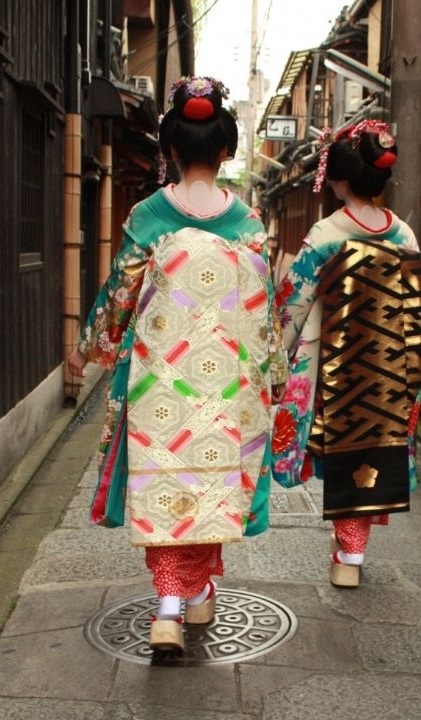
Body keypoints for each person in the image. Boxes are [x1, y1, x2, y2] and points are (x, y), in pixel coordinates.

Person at [67, 76, 287, 653]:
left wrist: (90, 346)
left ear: (168, 149)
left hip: (159, 376)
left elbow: (119, 294)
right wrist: (279, 377)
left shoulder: (148, 215)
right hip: (230, 378)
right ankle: (193, 598)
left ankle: (170, 605)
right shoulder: (247, 223)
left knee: (163, 476)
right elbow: (266, 317)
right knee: (215, 481)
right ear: (227, 150)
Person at [273, 120, 421, 588]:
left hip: (336, 361)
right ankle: (351, 551)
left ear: (340, 180)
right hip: (389, 367)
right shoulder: (403, 234)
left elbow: (293, 304)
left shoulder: (326, 233)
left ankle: (350, 553)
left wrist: (274, 358)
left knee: (341, 449)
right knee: (373, 450)